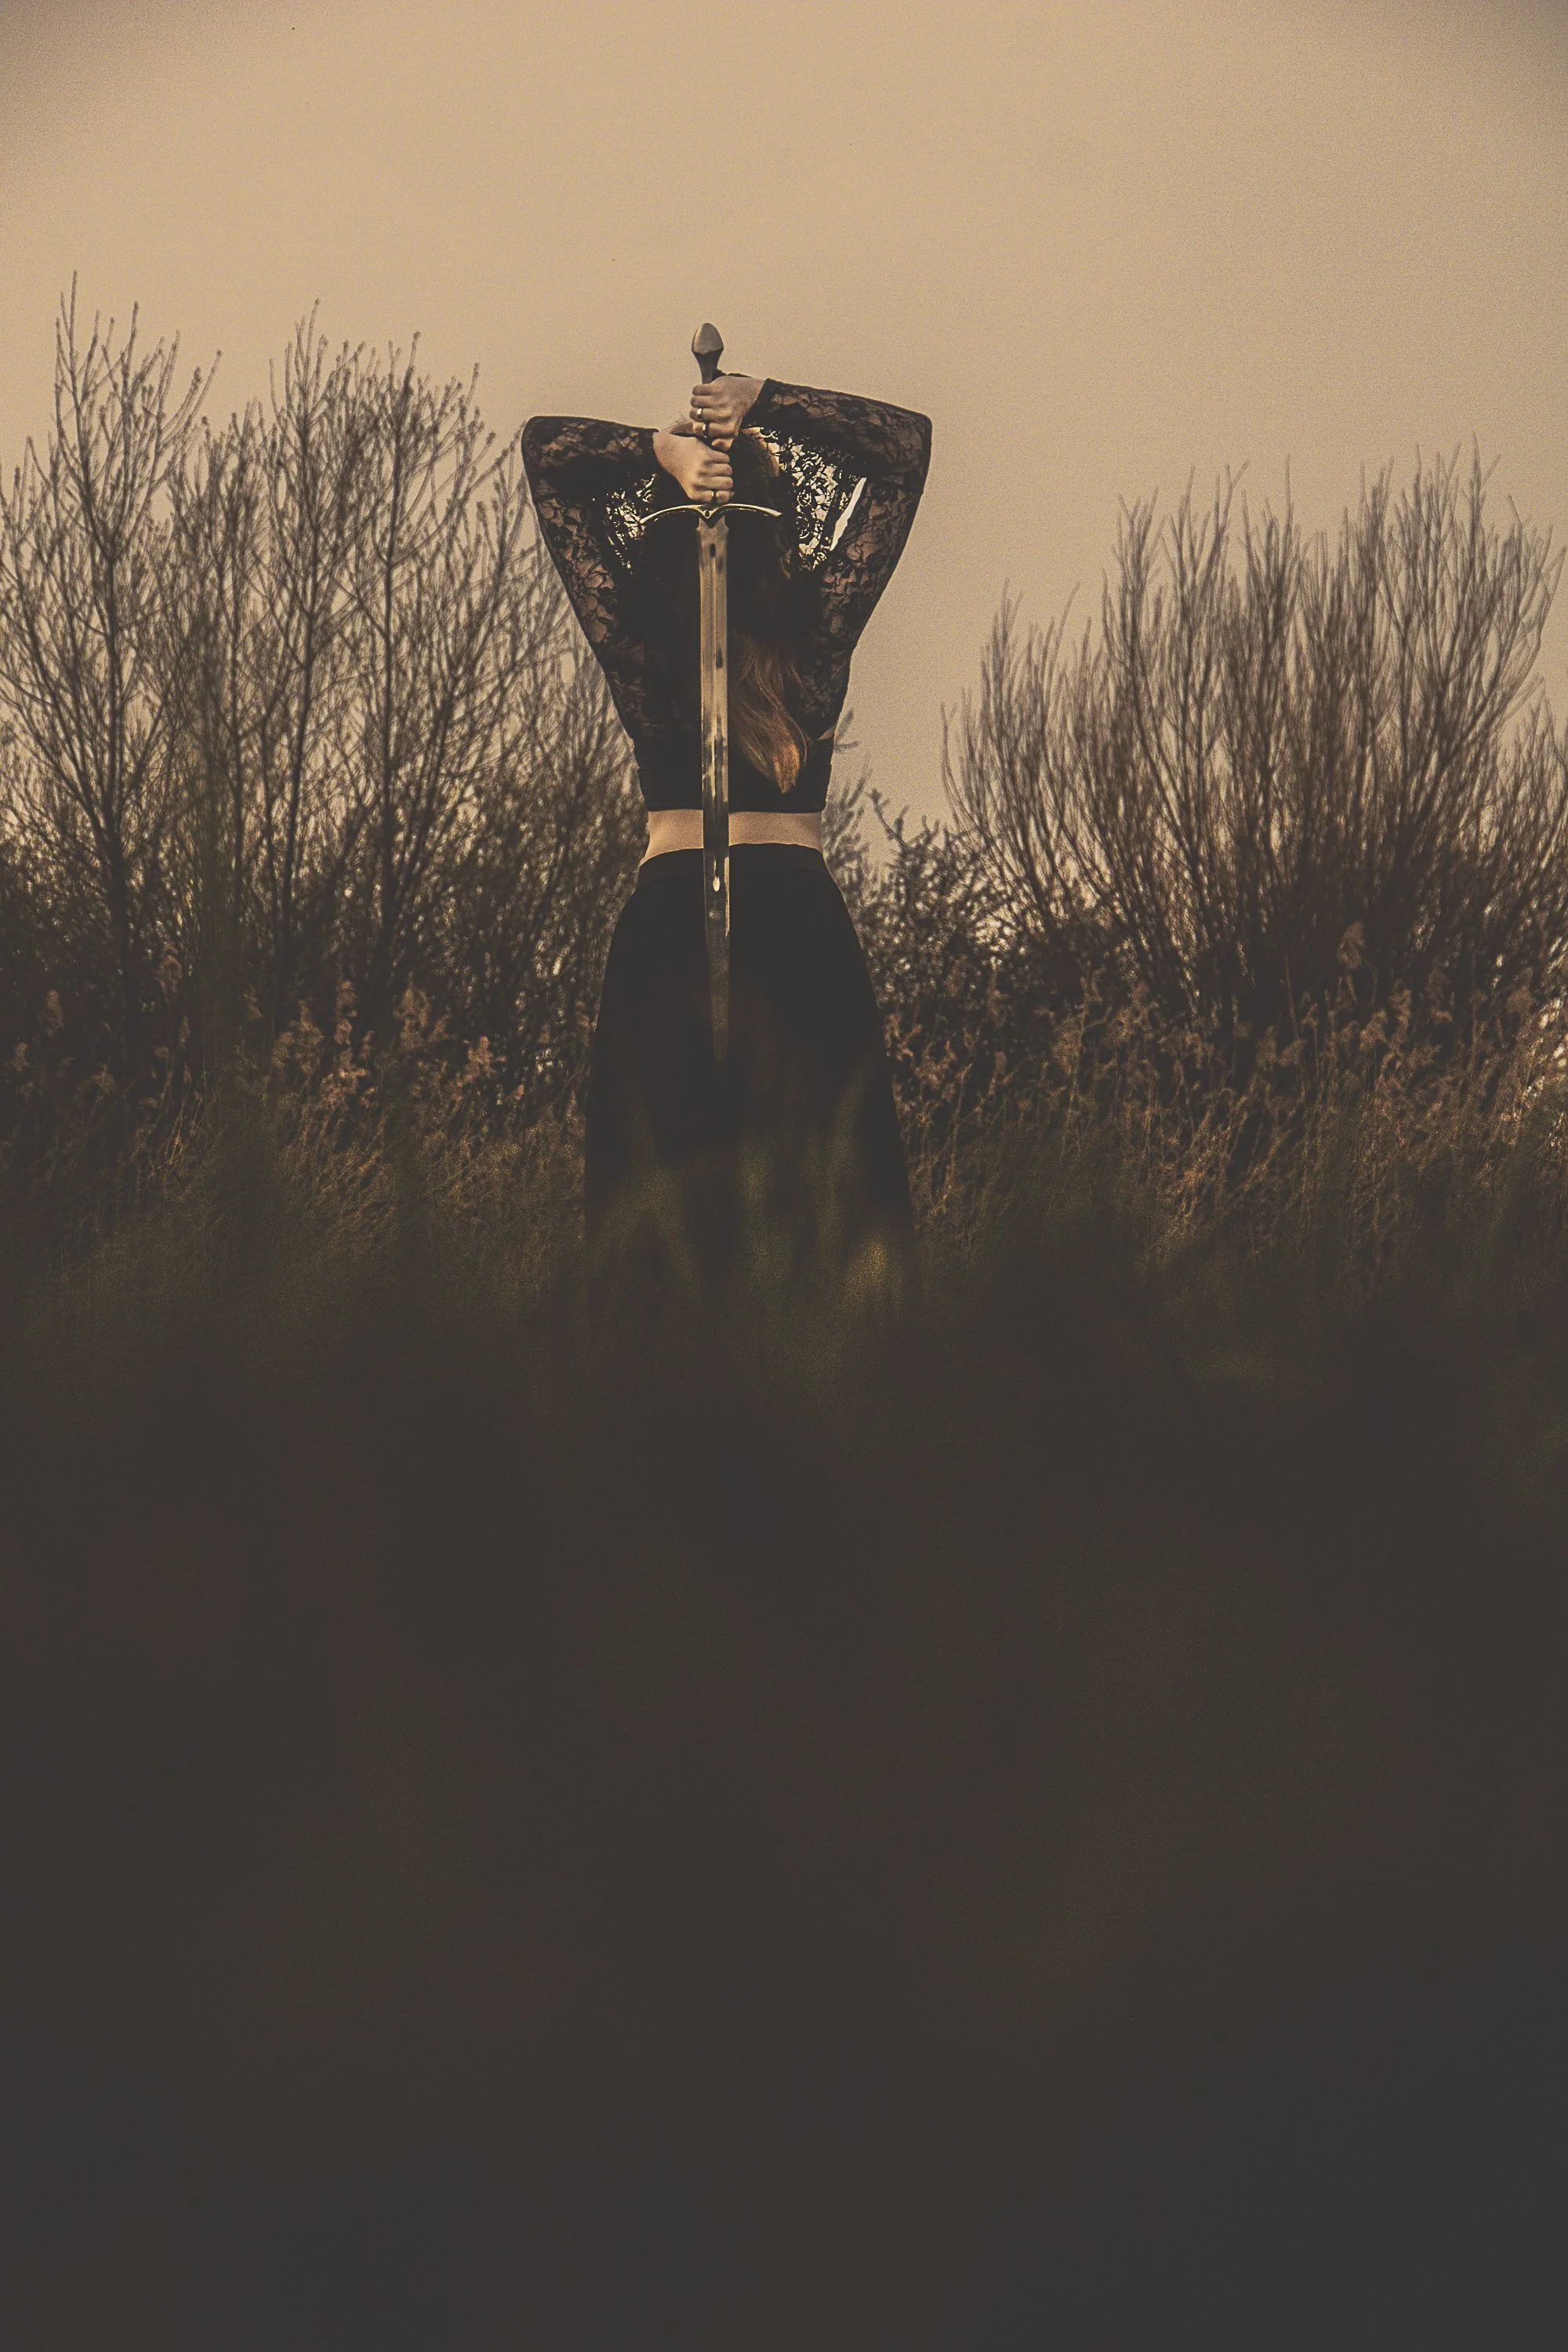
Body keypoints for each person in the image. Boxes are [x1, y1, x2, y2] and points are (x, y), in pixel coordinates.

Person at [521, 361, 931, 1298]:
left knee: (663, 1230)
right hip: (791, 921)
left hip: (673, 923)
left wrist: (658, 453)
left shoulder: (640, 648)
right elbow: (903, 450)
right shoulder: (814, 642)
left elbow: (548, 454)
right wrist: (762, 402)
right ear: (777, 532)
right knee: (817, 1219)